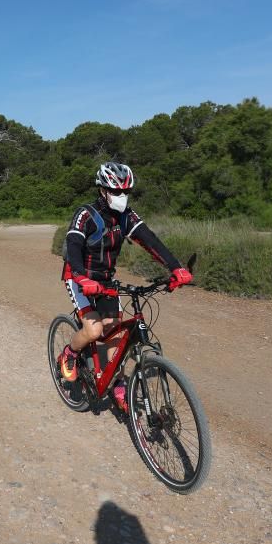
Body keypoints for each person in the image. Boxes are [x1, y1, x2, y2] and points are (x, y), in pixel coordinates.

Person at [58, 161, 193, 412]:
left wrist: (176, 268)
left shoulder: (126, 217)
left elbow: (150, 240)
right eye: (117, 192)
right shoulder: (85, 215)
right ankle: (70, 353)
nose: (122, 197)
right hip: (79, 278)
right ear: (102, 191)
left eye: (126, 192)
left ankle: (117, 381)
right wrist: (80, 277)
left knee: (116, 333)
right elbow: (74, 245)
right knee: (95, 330)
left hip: (106, 281)